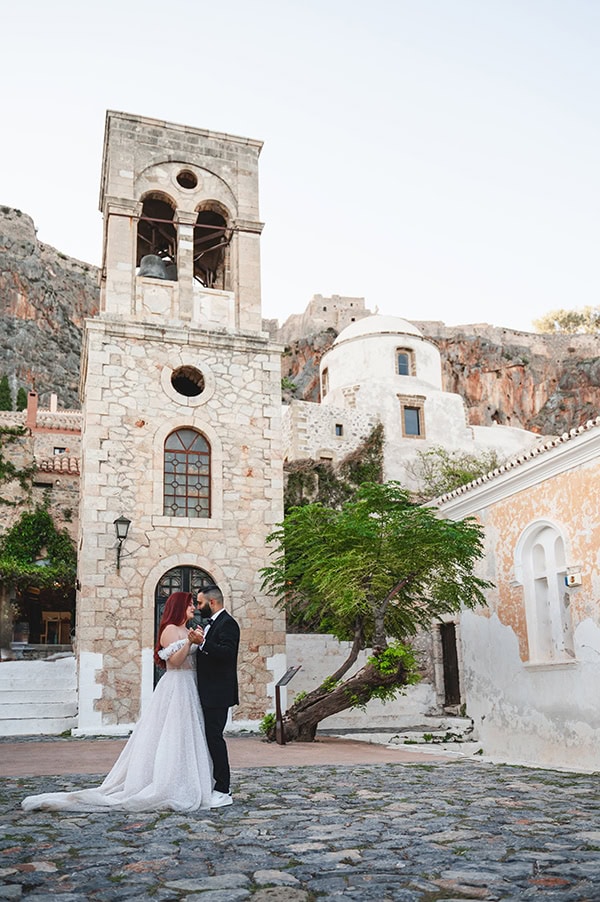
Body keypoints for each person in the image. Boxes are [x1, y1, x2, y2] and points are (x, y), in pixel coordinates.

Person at [22, 592, 213, 812]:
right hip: (176, 685)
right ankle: (166, 782)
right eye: (189, 604)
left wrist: (196, 640)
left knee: (187, 734)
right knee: (171, 733)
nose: (193, 607)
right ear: (178, 606)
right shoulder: (170, 630)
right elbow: (176, 662)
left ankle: (186, 779)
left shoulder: (187, 629)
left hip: (190, 684)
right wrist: (189, 642)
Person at [189, 584, 240, 808]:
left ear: (212, 602)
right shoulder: (210, 624)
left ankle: (223, 788)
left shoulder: (228, 624)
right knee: (209, 739)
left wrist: (204, 644)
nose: (198, 607)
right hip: (206, 691)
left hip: (218, 693)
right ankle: (211, 782)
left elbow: (228, 654)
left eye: (200, 603)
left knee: (215, 739)